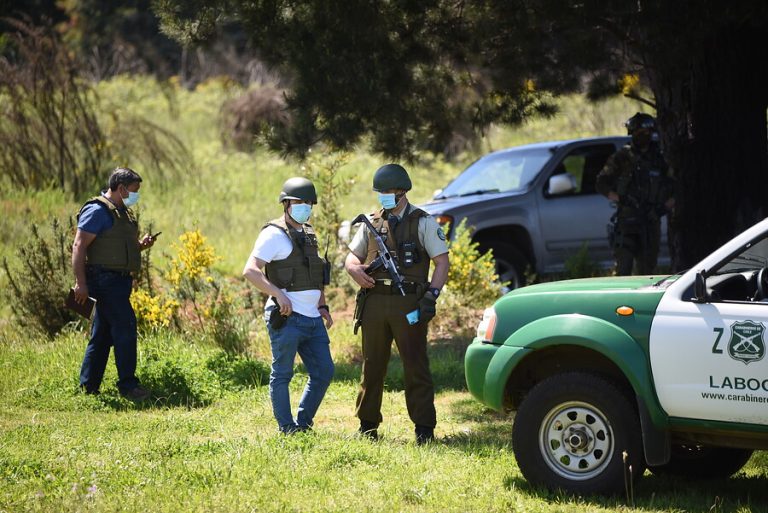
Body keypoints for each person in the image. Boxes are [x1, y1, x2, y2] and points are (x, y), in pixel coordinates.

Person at [345, 163, 450, 444]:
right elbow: (351, 259)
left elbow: (441, 262)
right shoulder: (371, 222)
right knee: (372, 365)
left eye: (388, 192)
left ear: (402, 192)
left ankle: (424, 429)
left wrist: (432, 295)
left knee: (415, 365)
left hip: (410, 303)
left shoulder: (423, 222)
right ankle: (367, 427)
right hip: (375, 302)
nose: (383, 197)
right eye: (380, 192)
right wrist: (355, 270)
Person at [243, 177, 335, 434]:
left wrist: (323, 306)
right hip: (287, 317)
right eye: (299, 202)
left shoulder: (308, 232)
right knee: (283, 374)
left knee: (324, 371)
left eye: (308, 202)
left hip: (312, 318)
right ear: (286, 204)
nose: (305, 206)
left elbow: (314, 275)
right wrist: (277, 295)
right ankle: (287, 427)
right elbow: (250, 270)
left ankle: (303, 424)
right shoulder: (273, 234)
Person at [72, 167, 156, 401]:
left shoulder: (122, 212)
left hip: (118, 281)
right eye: (133, 191)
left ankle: (88, 387)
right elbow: (79, 246)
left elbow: (113, 247)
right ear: (120, 188)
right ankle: (128, 386)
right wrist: (80, 283)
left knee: (103, 335)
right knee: (125, 327)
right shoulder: (98, 210)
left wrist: (139, 245)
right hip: (104, 280)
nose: (135, 195)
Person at [596, 112, 675, 276]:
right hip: (627, 223)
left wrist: (662, 208)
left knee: (647, 272)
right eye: (639, 133)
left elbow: (676, 188)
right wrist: (621, 199)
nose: (643, 136)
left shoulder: (659, 158)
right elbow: (601, 183)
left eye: (646, 133)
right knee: (623, 270)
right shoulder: (622, 157)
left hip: (650, 222)